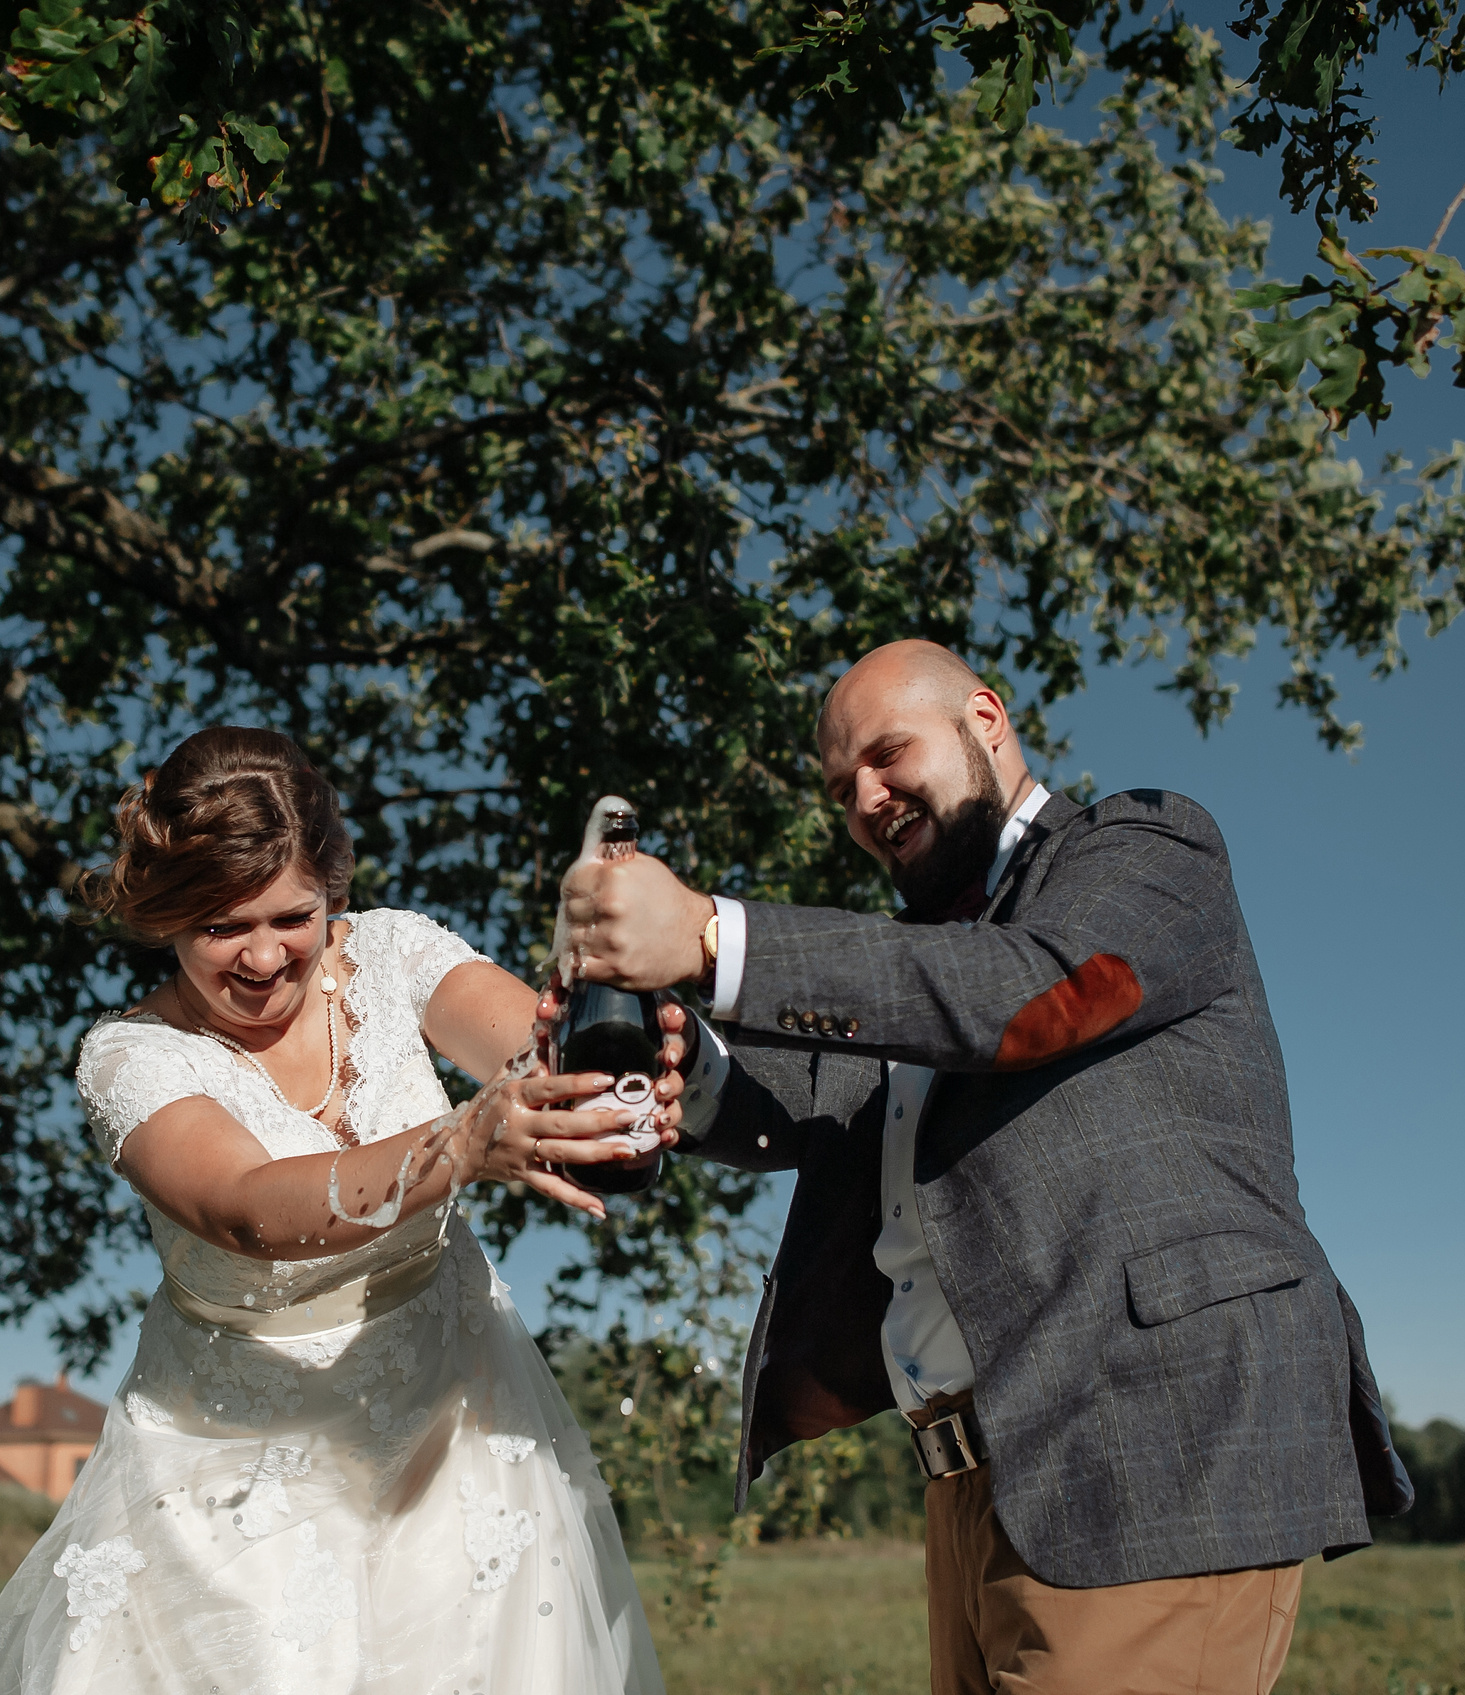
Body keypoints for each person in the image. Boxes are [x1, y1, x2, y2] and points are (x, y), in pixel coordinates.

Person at [554, 641, 1412, 1695]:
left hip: (1153, 1446)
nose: (866, 800)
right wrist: (671, 1064)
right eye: (841, 789)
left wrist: (708, 935)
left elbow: (1036, 989)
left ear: (986, 719)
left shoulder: (1150, 846)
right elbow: (813, 1104)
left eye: (886, 754)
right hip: (971, 1481)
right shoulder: (916, 971)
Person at [0, 726, 671, 1695]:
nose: (263, 955)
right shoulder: (130, 1056)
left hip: (456, 1425)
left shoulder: (391, 951)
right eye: (221, 925)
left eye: (293, 915)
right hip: (234, 1480)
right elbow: (246, 1208)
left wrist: (610, 1062)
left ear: (332, 889)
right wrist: (458, 1146)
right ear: (166, 915)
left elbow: (537, 1061)